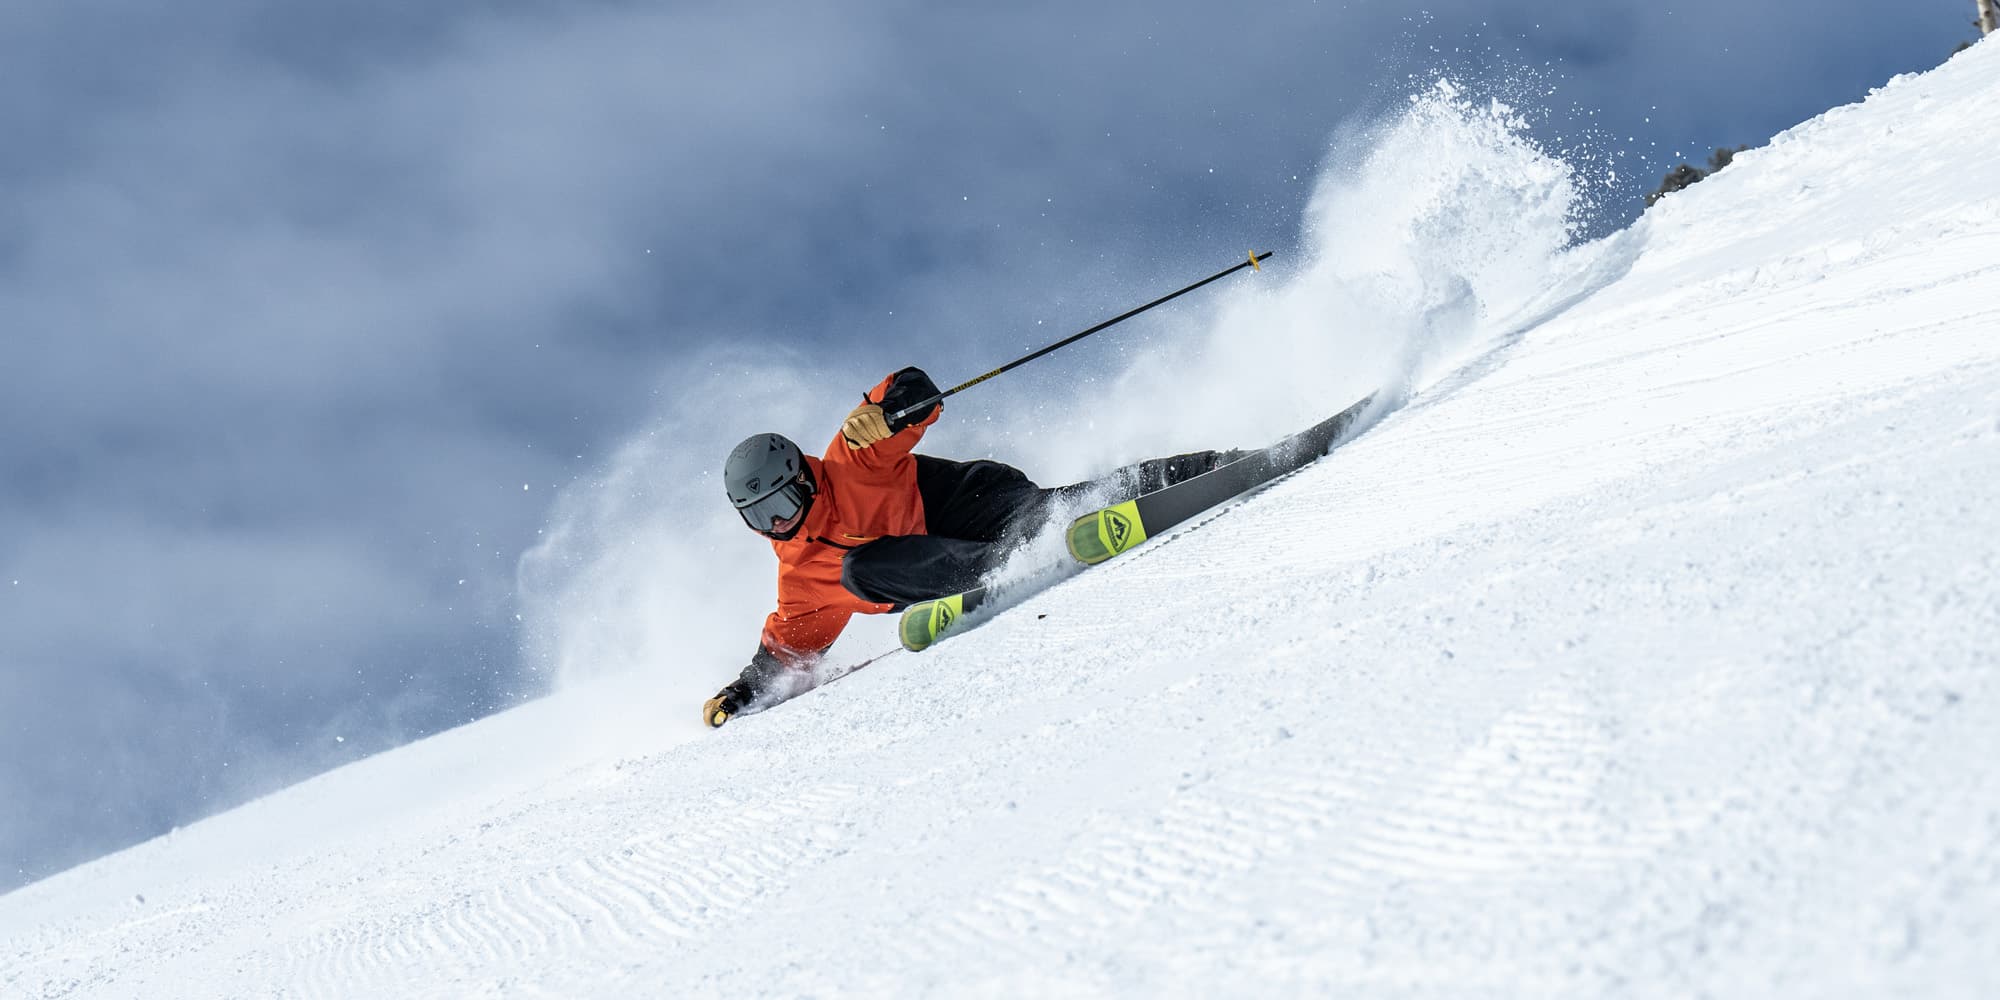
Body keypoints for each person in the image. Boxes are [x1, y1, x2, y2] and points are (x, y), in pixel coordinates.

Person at [703, 366, 1229, 726]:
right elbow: (786, 650)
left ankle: (1212, 466)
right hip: (947, 568)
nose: (778, 523)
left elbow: (913, 388)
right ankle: (1004, 569)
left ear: (804, 480)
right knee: (859, 570)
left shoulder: (850, 458)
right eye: (759, 517)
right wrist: (740, 694)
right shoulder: (801, 580)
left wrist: (893, 408)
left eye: (782, 505)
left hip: (973, 501)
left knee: (1067, 511)